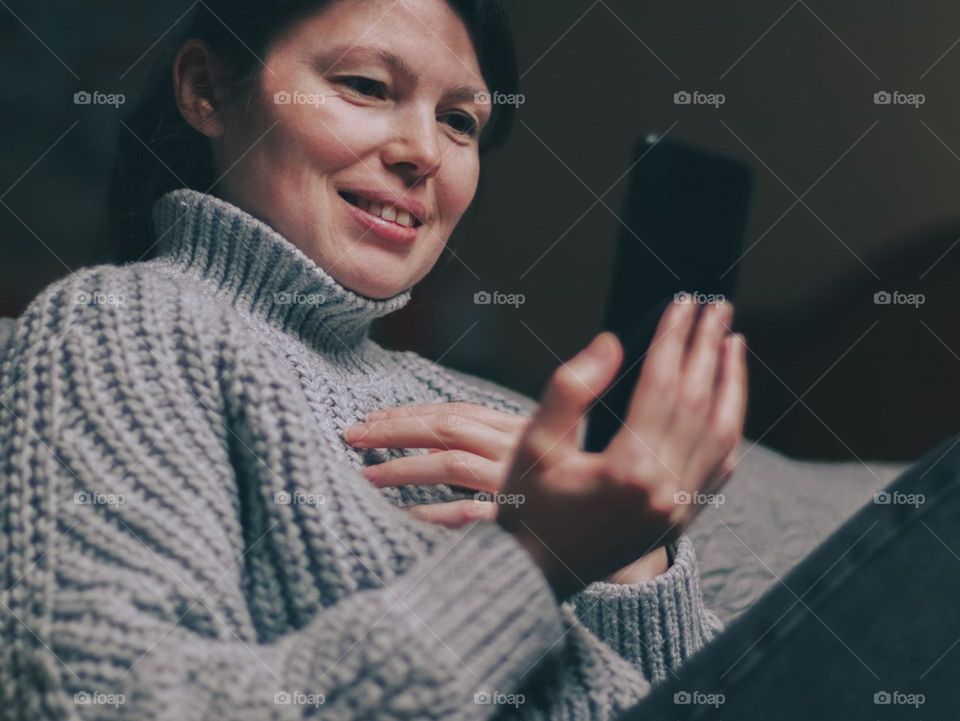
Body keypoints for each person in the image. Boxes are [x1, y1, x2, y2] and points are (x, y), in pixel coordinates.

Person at [0, 1, 745, 719]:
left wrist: (633, 568)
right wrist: (528, 566)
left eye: (460, 121)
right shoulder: (117, 327)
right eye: (365, 85)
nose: (423, 152)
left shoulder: (515, 428)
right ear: (206, 90)